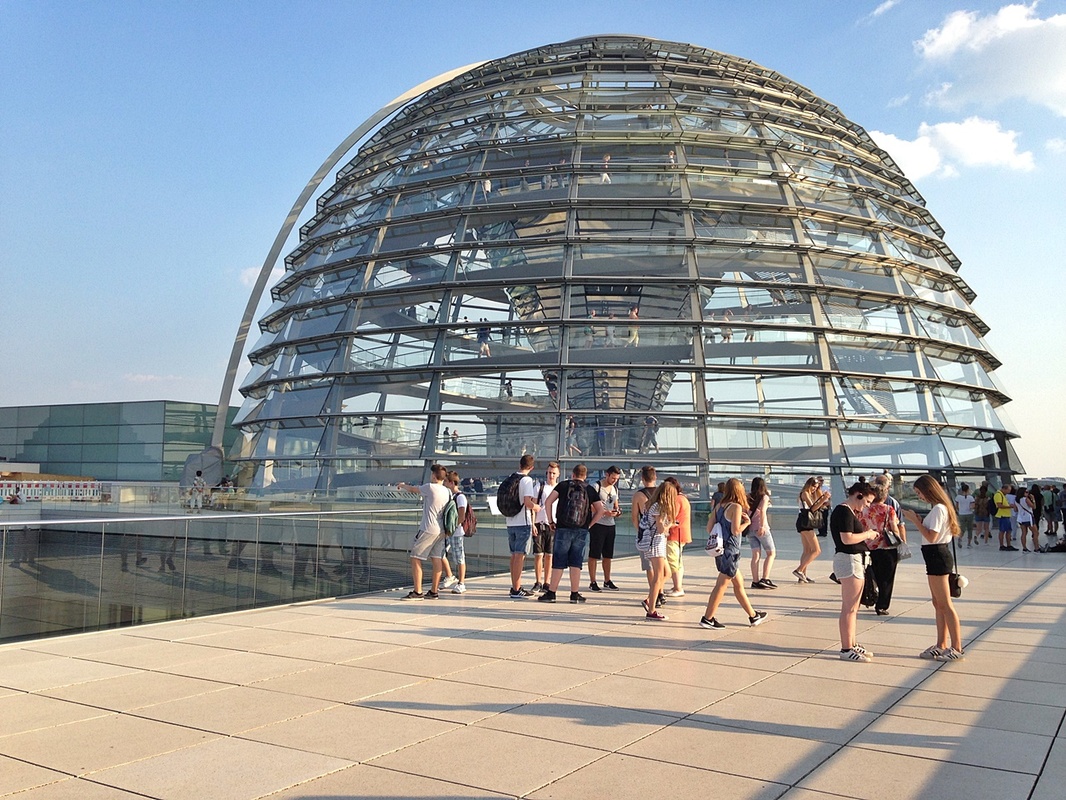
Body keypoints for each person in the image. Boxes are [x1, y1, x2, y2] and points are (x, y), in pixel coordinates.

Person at [903, 474, 965, 661]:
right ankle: (941, 644)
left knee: (945, 604)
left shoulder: (939, 509)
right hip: (933, 557)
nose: (919, 496)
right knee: (938, 603)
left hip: (937, 556)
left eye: (919, 492)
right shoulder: (939, 509)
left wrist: (915, 521)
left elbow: (931, 536)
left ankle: (956, 647)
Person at [699, 478, 769, 630]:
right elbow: (736, 530)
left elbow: (709, 528)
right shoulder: (736, 507)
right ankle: (708, 618)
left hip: (720, 550)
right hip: (730, 551)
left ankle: (753, 615)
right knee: (721, 585)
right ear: (739, 491)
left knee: (739, 584)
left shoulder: (719, 506)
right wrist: (747, 523)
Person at [539, 464, 605, 604]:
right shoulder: (589, 489)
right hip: (581, 529)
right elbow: (600, 510)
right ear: (585, 476)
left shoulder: (563, 485)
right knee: (576, 562)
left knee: (559, 561)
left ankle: (551, 593)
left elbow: (548, 502)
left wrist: (551, 521)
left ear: (573, 474)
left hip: (562, 528)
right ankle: (574, 594)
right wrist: (589, 525)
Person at [831, 482, 880, 661]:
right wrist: (867, 534)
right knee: (849, 607)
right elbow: (847, 538)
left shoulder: (848, 511)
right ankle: (846, 648)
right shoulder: (844, 511)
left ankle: (851, 643)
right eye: (867, 501)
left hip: (854, 560)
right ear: (858, 495)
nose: (867, 506)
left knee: (852, 607)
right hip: (849, 560)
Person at [397, 464, 451, 600]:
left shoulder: (430, 487)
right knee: (437, 558)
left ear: (433, 475)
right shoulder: (447, 491)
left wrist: (402, 485)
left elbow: (413, 489)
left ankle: (418, 591)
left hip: (428, 529)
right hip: (442, 530)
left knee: (415, 557)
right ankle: (434, 591)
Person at [862, 478, 905, 616]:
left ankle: (871, 595)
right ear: (884, 496)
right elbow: (895, 528)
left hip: (870, 546)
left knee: (872, 574)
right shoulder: (888, 509)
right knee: (887, 578)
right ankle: (882, 605)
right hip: (887, 547)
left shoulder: (864, 510)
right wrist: (899, 540)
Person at [640, 480, 677, 621]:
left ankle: (650, 599)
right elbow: (661, 528)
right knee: (658, 577)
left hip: (654, 543)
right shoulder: (659, 507)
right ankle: (651, 610)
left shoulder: (651, 505)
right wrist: (671, 525)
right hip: (656, 543)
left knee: (666, 573)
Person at [504, 455, 540, 598]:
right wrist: (536, 507)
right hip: (522, 522)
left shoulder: (510, 478)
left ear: (520, 464)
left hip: (510, 521)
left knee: (514, 555)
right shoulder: (526, 480)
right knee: (520, 556)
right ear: (531, 467)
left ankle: (515, 586)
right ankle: (516, 589)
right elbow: (527, 502)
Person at [632, 466, 665, 608]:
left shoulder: (639, 495)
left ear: (642, 479)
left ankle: (653, 595)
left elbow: (635, 517)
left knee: (649, 567)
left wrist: (640, 531)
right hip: (659, 535)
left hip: (645, 535)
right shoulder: (661, 494)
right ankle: (660, 592)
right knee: (661, 567)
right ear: (655, 477)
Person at [588, 466, 623, 591]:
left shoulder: (614, 489)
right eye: (613, 478)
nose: (614, 480)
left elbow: (616, 505)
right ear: (606, 475)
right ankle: (593, 581)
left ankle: (607, 580)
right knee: (594, 554)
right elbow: (589, 505)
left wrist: (617, 512)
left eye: (616, 479)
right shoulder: (596, 486)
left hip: (610, 524)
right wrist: (603, 512)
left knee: (608, 555)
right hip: (598, 524)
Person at [794, 476, 829, 583]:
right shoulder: (805, 493)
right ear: (809, 485)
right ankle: (799, 570)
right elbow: (812, 508)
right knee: (816, 550)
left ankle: (803, 575)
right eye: (813, 486)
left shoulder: (809, 494)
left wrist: (822, 500)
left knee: (807, 550)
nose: (814, 489)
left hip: (803, 522)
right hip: (805, 523)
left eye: (816, 487)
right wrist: (823, 499)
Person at [532, 461, 559, 592]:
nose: (551, 475)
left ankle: (547, 582)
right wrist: (532, 524)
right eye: (549, 473)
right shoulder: (539, 487)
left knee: (550, 555)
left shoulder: (559, 489)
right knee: (538, 554)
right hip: (539, 523)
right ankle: (538, 581)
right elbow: (533, 506)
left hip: (552, 525)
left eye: (553, 473)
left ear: (558, 474)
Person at [663, 476, 692, 597]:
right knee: (677, 560)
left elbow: (671, 517)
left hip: (675, 534)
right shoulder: (683, 498)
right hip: (681, 533)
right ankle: (676, 586)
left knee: (673, 561)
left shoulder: (676, 500)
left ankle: (678, 588)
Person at [747, 477, 777, 589]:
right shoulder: (764, 497)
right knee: (771, 553)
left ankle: (755, 581)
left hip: (750, 529)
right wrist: (761, 526)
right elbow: (763, 512)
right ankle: (765, 578)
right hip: (761, 529)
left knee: (755, 555)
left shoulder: (747, 497)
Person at [443, 470, 468, 593]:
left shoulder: (460, 497)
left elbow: (461, 516)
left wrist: (452, 528)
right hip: (449, 531)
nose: (444, 484)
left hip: (456, 532)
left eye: (446, 482)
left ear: (452, 483)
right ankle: (450, 575)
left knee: (459, 557)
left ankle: (461, 583)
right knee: (440, 553)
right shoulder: (451, 496)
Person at [993, 483, 1016, 551]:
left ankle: (1008, 544)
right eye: (1008, 490)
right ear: (1004, 489)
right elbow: (999, 505)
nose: (1009, 492)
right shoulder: (998, 494)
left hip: (1006, 515)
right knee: (1002, 531)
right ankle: (1002, 545)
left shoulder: (1003, 495)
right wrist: (1009, 506)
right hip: (1002, 515)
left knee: (1008, 530)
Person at [955, 483, 975, 547]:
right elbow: (972, 506)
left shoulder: (958, 497)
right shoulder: (970, 497)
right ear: (968, 490)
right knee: (969, 529)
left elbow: (957, 506)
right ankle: (969, 543)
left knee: (962, 528)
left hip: (961, 514)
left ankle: (960, 538)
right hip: (969, 514)